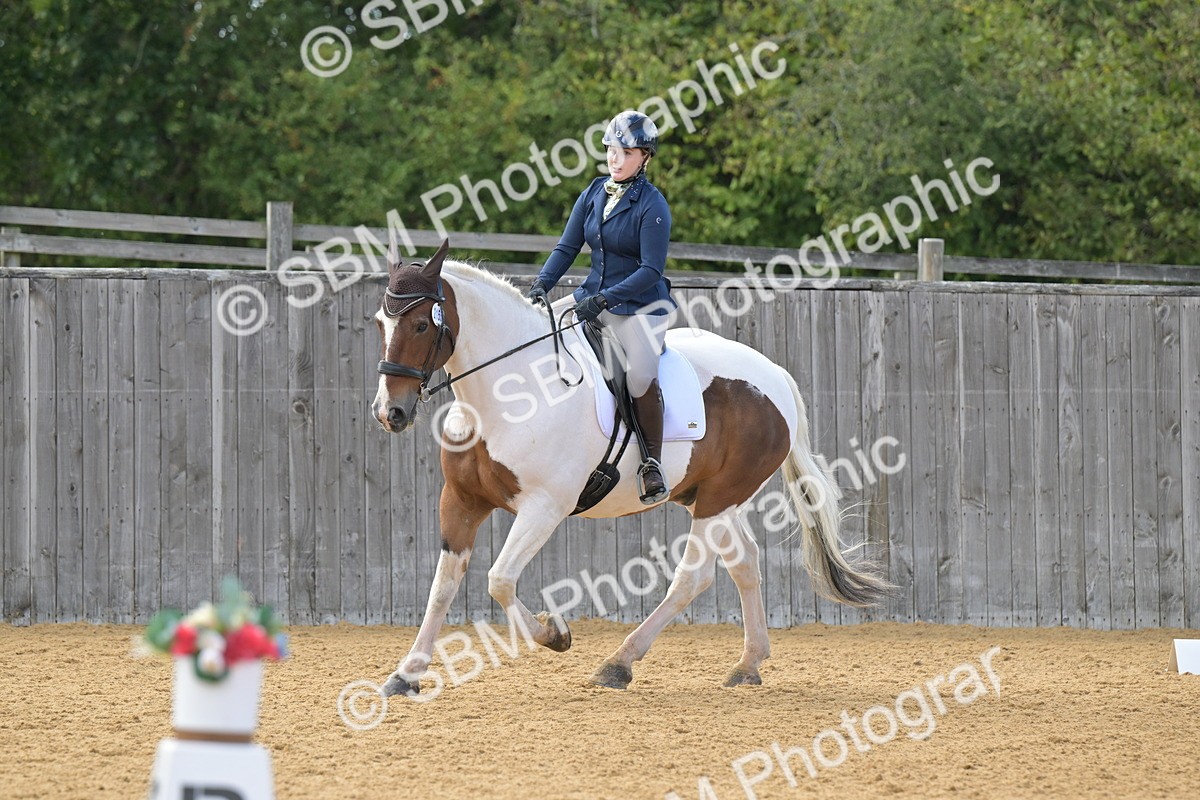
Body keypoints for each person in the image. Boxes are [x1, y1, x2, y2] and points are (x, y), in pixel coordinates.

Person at [528, 109, 675, 505]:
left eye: (625, 152)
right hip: (592, 296)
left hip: (642, 307)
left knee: (640, 376)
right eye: (611, 149)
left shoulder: (653, 205)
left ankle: (652, 464)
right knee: (537, 333)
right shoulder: (593, 192)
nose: (615, 158)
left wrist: (605, 299)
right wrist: (541, 285)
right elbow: (567, 247)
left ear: (644, 156)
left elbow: (650, 270)